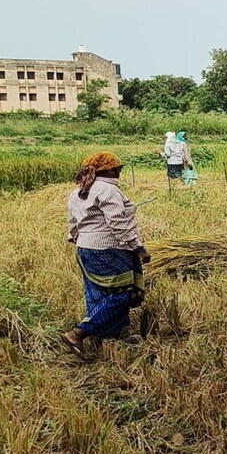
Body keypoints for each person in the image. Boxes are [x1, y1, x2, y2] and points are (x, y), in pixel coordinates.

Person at [63, 152, 151, 359]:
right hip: (108, 248)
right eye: (118, 169)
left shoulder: (78, 192)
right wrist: (138, 248)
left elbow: (73, 224)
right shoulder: (108, 190)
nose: (120, 172)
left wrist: (81, 241)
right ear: (109, 171)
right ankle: (78, 333)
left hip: (84, 248)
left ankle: (111, 338)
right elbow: (118, 224)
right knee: (122, 293)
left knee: (96, 292)